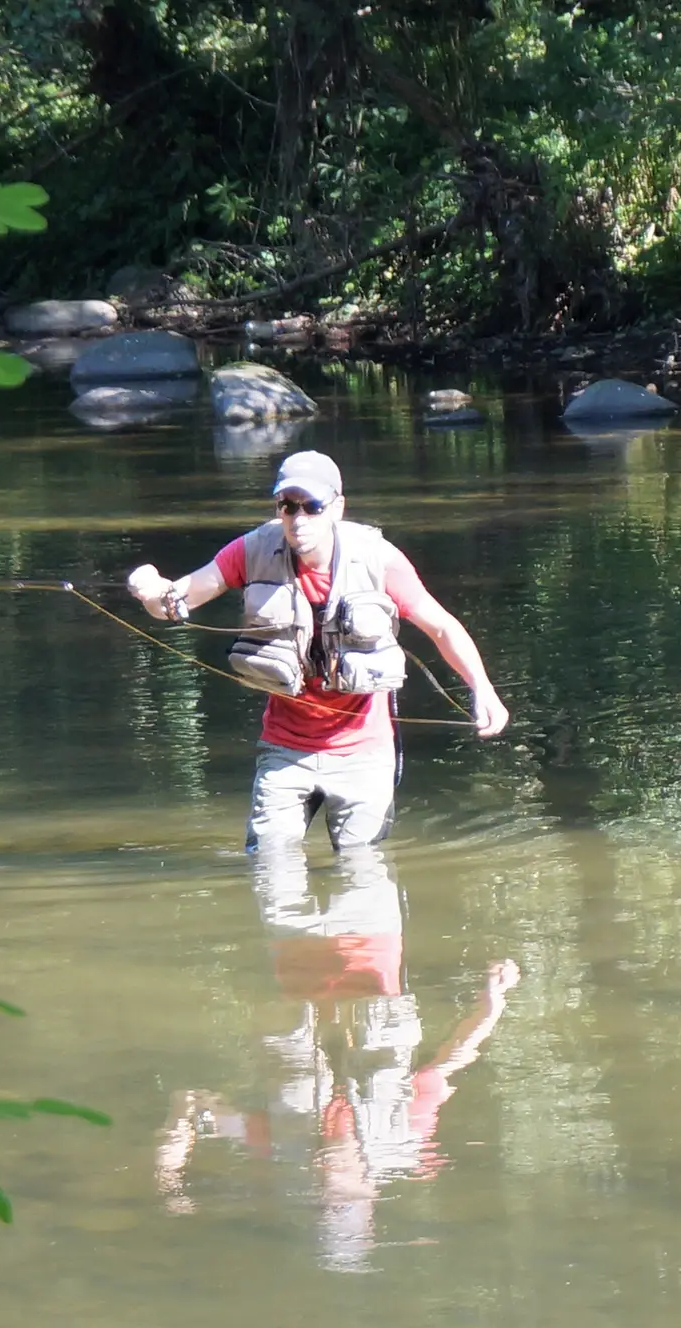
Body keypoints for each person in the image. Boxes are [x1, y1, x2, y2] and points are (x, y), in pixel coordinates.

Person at [151, 847, 520, 1271]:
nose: (327, 1185)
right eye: (340, 1198)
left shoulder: (276, 1141)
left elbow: (190, 1100)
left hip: (295, 944)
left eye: (320, 1201)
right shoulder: (402, 1130)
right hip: (372, 942)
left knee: (276, 851)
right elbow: (451, 1061)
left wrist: (167, 1181)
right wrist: (494, 1003)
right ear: (370, 1190)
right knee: (360, 846)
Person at [127, 450, 509, 850]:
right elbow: (174, 603)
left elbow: (442, 627)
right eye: (287, 506)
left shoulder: (378, 559)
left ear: (338, 508)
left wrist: (483, 689)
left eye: (311, 506)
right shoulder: (251, 551)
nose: (298, 519)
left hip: (364, 751)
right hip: (285, 748)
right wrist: (150, 591)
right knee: (270, 870)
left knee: (364, 879)